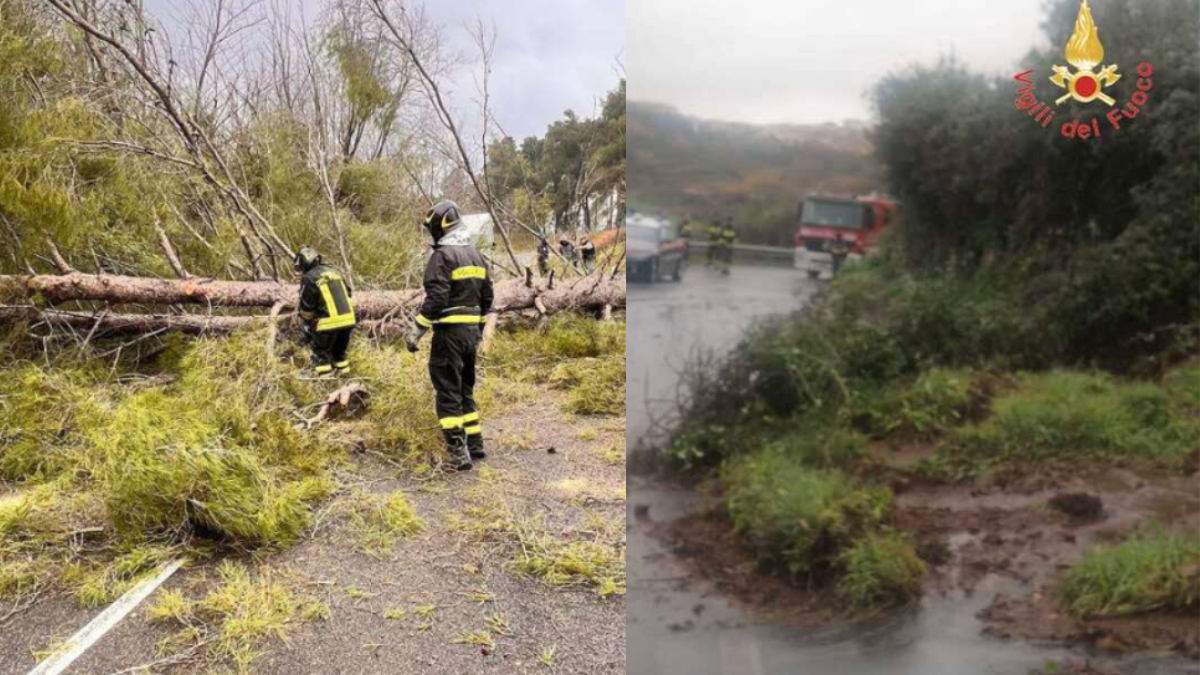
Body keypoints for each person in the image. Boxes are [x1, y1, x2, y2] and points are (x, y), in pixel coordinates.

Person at [406, 200, 494, 472]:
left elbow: (437, 298)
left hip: (449, 337)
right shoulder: (478, 256)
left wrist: (417, 330)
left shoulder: (442, 257)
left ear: (440, 226)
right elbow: (487, 298)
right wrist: (477, 332)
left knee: (447, 392)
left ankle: (458, 452)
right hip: (469, 335)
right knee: (465, 390)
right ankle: (476, 444)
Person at [295, 246, 356, 375]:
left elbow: (306, 307)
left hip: (327, 325)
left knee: (320, 354)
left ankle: (322, 382)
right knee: (339, 355)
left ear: (304, 263)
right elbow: (348, 293)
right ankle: (344, 376)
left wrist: (306, 325)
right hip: (348, 321)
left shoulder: (309, 278)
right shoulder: (335, 272)